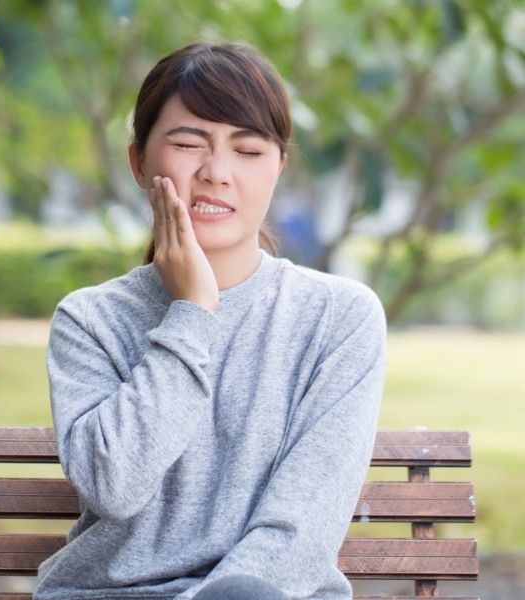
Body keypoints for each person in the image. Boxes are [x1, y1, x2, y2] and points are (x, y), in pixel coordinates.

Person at [34, 42, 386, 600]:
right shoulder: (90, 320)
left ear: (279, 167)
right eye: (188, 143)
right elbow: (114, 485)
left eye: (248, 150)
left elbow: (301, 529)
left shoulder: (339, 318)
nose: (218, 172)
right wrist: (191, 315)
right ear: (140, 162)